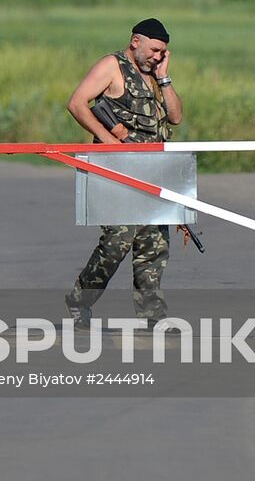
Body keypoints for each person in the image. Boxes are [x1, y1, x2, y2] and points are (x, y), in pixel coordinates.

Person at [63, 18, 182, 326]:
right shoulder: (112, 66)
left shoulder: (156, 77)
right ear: (135, 42)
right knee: (118, 241)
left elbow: (176, 117)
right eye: (155, 50)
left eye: (163, 52)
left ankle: (153, 315)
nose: (158, 56)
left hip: (154, 171)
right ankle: (80, 301)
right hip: (117, 170)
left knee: (154, 245)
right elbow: (77, 103)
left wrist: (164, 78)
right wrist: (107, 141)